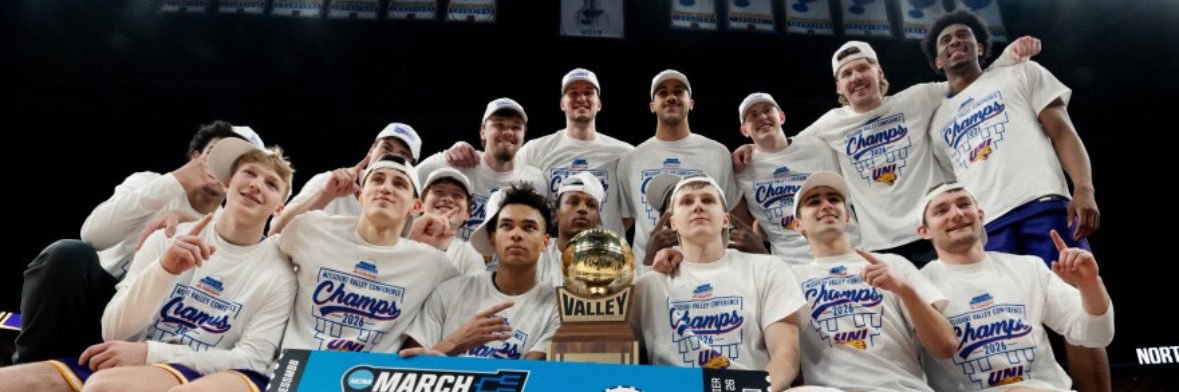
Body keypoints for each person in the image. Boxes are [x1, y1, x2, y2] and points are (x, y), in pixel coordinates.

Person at [0, 137, 295, 392]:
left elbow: (254, 360)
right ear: (228, 183)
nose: (257, 185)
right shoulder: (166, 237)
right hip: (126, 357)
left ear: (279, 207)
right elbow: (114, 332)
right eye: (250, 173)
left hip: (198, 372)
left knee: (104, 387)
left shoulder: (280, 273)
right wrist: (164, 269)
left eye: (271, 183)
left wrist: (150, 353)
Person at [923, 10, 1106, 390]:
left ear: (981, 47)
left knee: (1078, 313)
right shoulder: (938, 121)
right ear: (938, 61)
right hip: (985, 228)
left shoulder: (1022, 73)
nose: (955, 42)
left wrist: (1083, 188)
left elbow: (1063, 132)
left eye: (963, 36)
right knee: (1007, 324)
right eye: (946, 41)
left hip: (1042, 205)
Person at [916, 183, 1113, 391]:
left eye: (964, 205)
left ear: (981, 216)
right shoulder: (915, 288)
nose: (956, 214)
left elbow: (1096, 335)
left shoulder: (1030, 268)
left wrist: (1090, 284)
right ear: (924, 231)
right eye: (941, 211)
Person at [788, 171, 957, 391]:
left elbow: (946, 346)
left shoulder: (892, 263)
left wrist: (904, 290)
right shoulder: (790, 278)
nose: (827, 205)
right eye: (814, 202)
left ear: (847, 216)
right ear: (797, 225)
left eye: (834, 199)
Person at [277, 154, 460, 354]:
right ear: (360, 196)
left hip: (366, 380)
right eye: (378, 179)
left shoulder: (434, 265)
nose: (386, 188)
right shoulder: (312, 228)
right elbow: (265, 242)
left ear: (416, 206)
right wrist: (323, 193)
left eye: (399, 184)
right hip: (295, 372)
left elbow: (475, 298)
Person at [635, 175, 804, 391]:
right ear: (673, 223)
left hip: (751, 386)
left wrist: (760, 390)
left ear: (726, 219)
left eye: (707, 200)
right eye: (687, 202)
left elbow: (786, 354)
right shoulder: (648, 285)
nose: (697, 206)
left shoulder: (767, 268)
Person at [443, 68, 634, 236]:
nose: (581, 98)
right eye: (573, 93)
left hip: (606, 259)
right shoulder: (536, 149)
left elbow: (629, 214)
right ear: (562, 104)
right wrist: (462, 147)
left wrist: (607, 232)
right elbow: (500, 170)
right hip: (552, 256)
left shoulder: (624, 153)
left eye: (588, 93)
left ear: (598, 103)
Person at [401, 184, 560, 360]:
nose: (516, 234)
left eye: (529, 227)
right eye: (506, 226)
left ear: (545, 242)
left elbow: (530, 376)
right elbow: (410, 366)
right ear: (492, 238)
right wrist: (456, 342)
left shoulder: (557, 308)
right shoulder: (447, 292)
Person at [618, 70, 740, 273]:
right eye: (662, 93)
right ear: (652, 106)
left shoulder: (718, 153)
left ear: (690, 103)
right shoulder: (631, 159)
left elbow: (733, 215)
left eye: (679, 91)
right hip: (650, 269)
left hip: (707, 269)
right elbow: (625, 220)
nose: (671, 97)